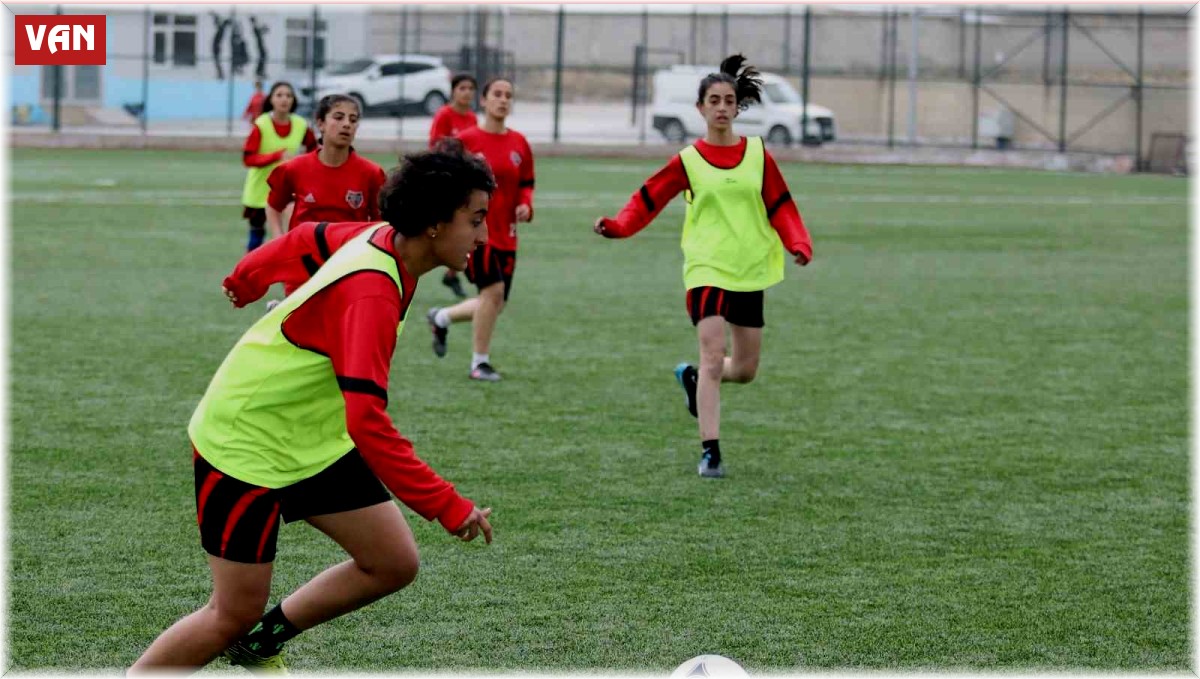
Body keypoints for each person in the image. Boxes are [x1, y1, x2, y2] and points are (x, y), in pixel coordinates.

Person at [129, 141, 498, 674]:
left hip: (308, 438)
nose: (485, 235)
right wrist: (446, 504)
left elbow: (308, 238)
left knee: (392, 562)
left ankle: (259, 645)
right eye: (476, 219)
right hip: (246, 440)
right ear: (436, 222)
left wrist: (250, 274)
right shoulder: (372, 292)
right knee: (231, 612)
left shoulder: (387, 241)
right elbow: (368, 422)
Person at [592, 55, 813, 479]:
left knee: (745, 370)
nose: (722, 107)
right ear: (700, 108)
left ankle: (693, 379)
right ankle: (710, 450)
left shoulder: (758, 154)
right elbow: (648, 199)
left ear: (737, 107)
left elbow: (781, 205)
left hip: (749, 268)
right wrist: (618, 227)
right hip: (706, 268)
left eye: (729, 100)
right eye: (714, 100)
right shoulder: (688, 161)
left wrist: (797, 241)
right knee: (713, 356)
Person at [427, 77, 535, 382]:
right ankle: (479, 363)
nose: (503, 100)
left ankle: (441, 317)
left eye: (508, 95)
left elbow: (527, 183)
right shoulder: (466, 141)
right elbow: (444, 179)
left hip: (508, 235)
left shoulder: (520, 143)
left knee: (494, 303)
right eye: (497, 94)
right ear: (484, 101)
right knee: (493, 292)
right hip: (475, 234)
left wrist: (526, 204)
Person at [265, 94, 386, 296]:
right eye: (338, 117)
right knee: (301, 324)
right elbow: (273, 205)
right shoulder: (295, 168)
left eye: (353, 120)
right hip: (302, 267)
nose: (346, 124)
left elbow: (380, 224)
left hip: (348, 266)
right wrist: (280, 241)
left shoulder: (371, 174)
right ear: (320, 123)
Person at [240, 81, 317, 252]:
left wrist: (304, 162)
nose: (284, 99)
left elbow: (315, 150)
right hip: (260, 189)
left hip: (287, 188)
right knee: (256, 236)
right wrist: (277, 156)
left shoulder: (300, 124)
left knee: (290, 230)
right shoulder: (261, 124)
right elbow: (248, 159)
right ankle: (249, 273)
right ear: (271, 100)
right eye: (279, 95)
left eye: (289, 95)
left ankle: (289, 274)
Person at [428, 73, 480, 301]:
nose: (467, 92)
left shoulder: (472, 118)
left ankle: (452, 272)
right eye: (462, 88)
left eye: (470, 88)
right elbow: (435, 146)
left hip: (466, 182)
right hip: (447, 180)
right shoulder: (444, 115)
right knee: (443, 229)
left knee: (468, 226)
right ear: (453, 92)